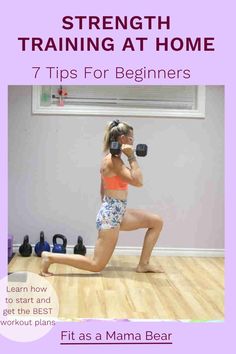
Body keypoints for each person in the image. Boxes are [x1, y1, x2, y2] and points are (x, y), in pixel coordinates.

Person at [40, 120, 163, 276]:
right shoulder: (113, 161)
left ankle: (143, 264)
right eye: (131, 138)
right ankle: (49, 257)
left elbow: (102, 189)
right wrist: (132, 157)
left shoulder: (112, 159)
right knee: (96, 265)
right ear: (123, 139)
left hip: (117, 211)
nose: (133, 142)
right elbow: (138, 182)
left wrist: (111, 207)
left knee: (156, 221)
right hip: (111, 215)